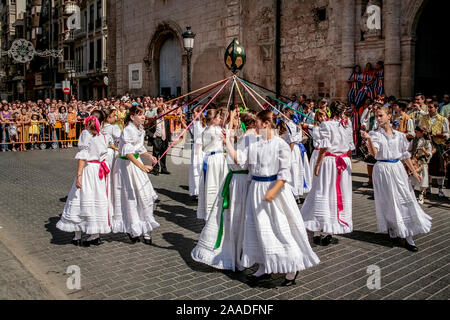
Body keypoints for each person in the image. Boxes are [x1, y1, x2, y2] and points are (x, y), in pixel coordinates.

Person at [228, 110, 320, 286]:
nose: (255, 126)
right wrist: (227, 140)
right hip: (255, 190)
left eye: (257, 123)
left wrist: (273, 190)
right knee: (258, 229)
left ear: (266, 124)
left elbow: (284, 173)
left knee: (280, 229)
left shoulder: (280, 145)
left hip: (274, 191)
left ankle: (292, 267)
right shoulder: (255, 144)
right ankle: (264, 267)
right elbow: (240, 160)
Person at [191, 112, 257, 272]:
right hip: (238, 181)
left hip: (239, 181)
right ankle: (237, 251)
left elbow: (240, 159)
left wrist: (228, 140)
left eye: (239, 120)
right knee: (236, 216)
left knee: (235, 216)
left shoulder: (248, 136)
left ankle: (237, 250)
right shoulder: (249, 136)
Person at [361, 107, 432, 252]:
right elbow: (374, 154)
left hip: (397, 169)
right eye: (377, 116)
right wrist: (368, 140)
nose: (379, 118)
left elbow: (405, 156)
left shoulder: (399, 135)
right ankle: (393, 229)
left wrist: (414, 172)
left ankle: (409, 236)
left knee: (405, 199)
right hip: (382, 169)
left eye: (381, 115)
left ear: (389, 116)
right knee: (388, 201)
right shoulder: (375, 134)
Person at [301, 102, 354, 246]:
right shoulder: (345, 126)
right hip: (340, 163)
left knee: (324, 192)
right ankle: (324, 231)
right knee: (333, 193)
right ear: (343, 111)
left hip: (332, 162)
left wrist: (318, 164)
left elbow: (324, 148)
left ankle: (322, 230)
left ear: (330, 111)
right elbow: (349, 149)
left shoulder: (330, 125)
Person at [56, 110, 112, 246]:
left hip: (88, 170)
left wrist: (79, 175)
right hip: (99, 171)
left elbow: (82, 157)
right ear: (102, 121)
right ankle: (95, 234)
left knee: (80, 197)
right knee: (96, 199)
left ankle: (78, 235)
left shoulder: (86, 134)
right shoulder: (104, 135)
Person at [111, 105, 160, 244]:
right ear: (132, 117)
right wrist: (141, 166)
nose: (143, 116)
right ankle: (132, 229)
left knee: (144, 196)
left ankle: (145, 229)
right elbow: (127, 152)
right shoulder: (128, 130)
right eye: (140, 114)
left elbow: (138, 147)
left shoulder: (140, 130)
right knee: (129, 198)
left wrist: (148, 156)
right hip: (126, 166)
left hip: (136, 163)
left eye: (144, 114)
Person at [197, 109, 228, 221]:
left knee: (217, 182)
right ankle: (213, 211)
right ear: (213, 119)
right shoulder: (212, 131)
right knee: (214, 183)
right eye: (219, 117)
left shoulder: (210, 130)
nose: (221, 119)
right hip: (215, 160)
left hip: (215, 159)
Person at [420, 101, 449, 198]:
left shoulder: (443, 119)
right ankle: (428, 188)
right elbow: (420, 128)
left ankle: (440, 189)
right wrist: (423, 131)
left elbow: (447, 134)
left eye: (431, 107)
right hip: (427, 144)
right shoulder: (424, 117)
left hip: (438, 145)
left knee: (440, 168)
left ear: (436, 108)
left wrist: (437, 135)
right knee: (426, 166)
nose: (429, 109)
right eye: (428, 107)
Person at [409, 127, 433, 205]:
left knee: (423, 179)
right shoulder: (414, 140)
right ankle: (410, 194)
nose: (416, 134)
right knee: (412, 178)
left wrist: (424, 150)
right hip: (414, 162)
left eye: (417, 132)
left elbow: (429, 154)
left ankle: (421, 195)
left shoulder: (427, 142)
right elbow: (409, 149)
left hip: (422, 162)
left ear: (422, 133)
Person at [150, 107, 171, 175]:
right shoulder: (154, 120)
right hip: (157, 139)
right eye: (161, 113)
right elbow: (148, 129)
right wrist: (152, 135)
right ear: (158, 113)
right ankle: (155, 169)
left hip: (164, 139)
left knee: (163, 154)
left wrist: (169, 140)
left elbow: (168, 130)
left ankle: (163, 169)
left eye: (163, 113)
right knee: (155, 154)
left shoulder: (166, 120)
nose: (163, 114)